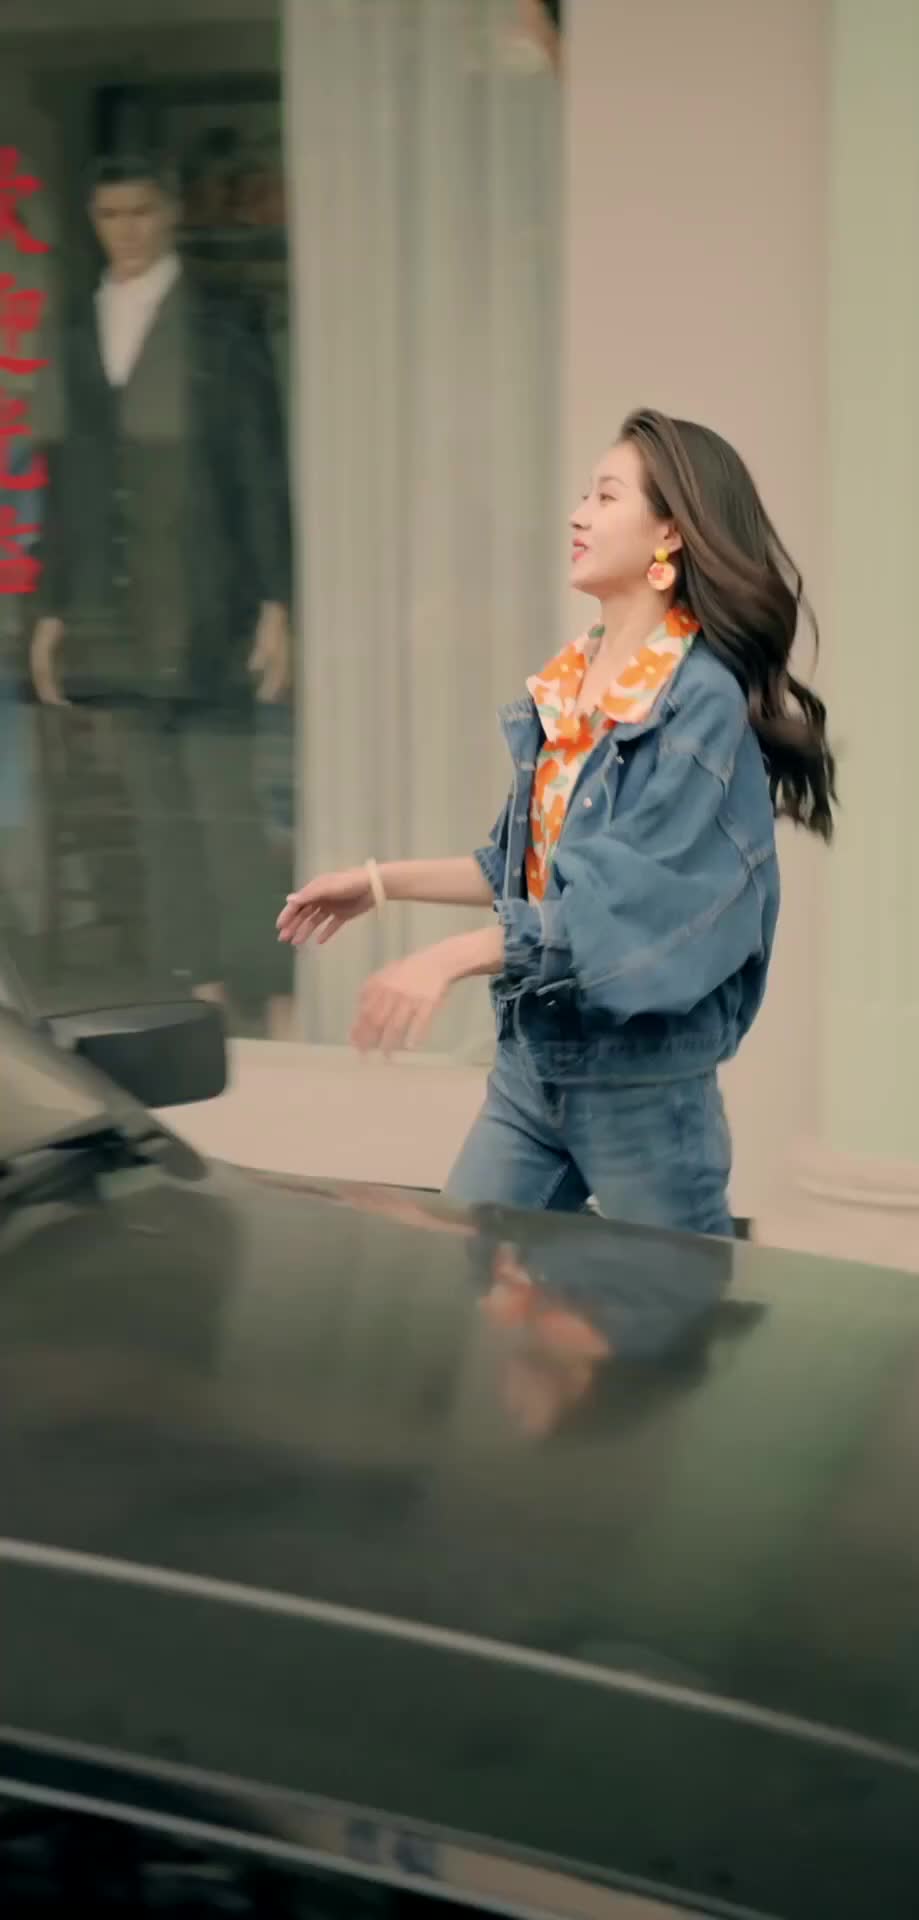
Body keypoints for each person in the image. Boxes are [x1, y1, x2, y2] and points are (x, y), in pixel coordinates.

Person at [278, 408, 835, 1233]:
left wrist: (447, 960)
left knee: (672, 1310)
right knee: (471, 1283)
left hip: (644, 1088)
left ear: (669, 534)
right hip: (533, 1064)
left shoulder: (699, 703)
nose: (578, 515)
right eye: (584, 496)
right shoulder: (573, 680)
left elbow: (617, 909)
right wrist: (376, 883)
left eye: (606, 497)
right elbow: (522, 871)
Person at [28, 151, 294, 1035]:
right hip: (116, 610)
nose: (127, 230)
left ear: (171, 211)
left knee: (226, 812)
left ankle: (273, 990)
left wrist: (275, 600)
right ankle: (200, 984)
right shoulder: (77, 327)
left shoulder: (220, 321)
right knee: (156, 816)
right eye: (110, 214)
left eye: (141, 210)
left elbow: (258, 464)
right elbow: (68, 480)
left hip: (209, 599)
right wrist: (52, 611)